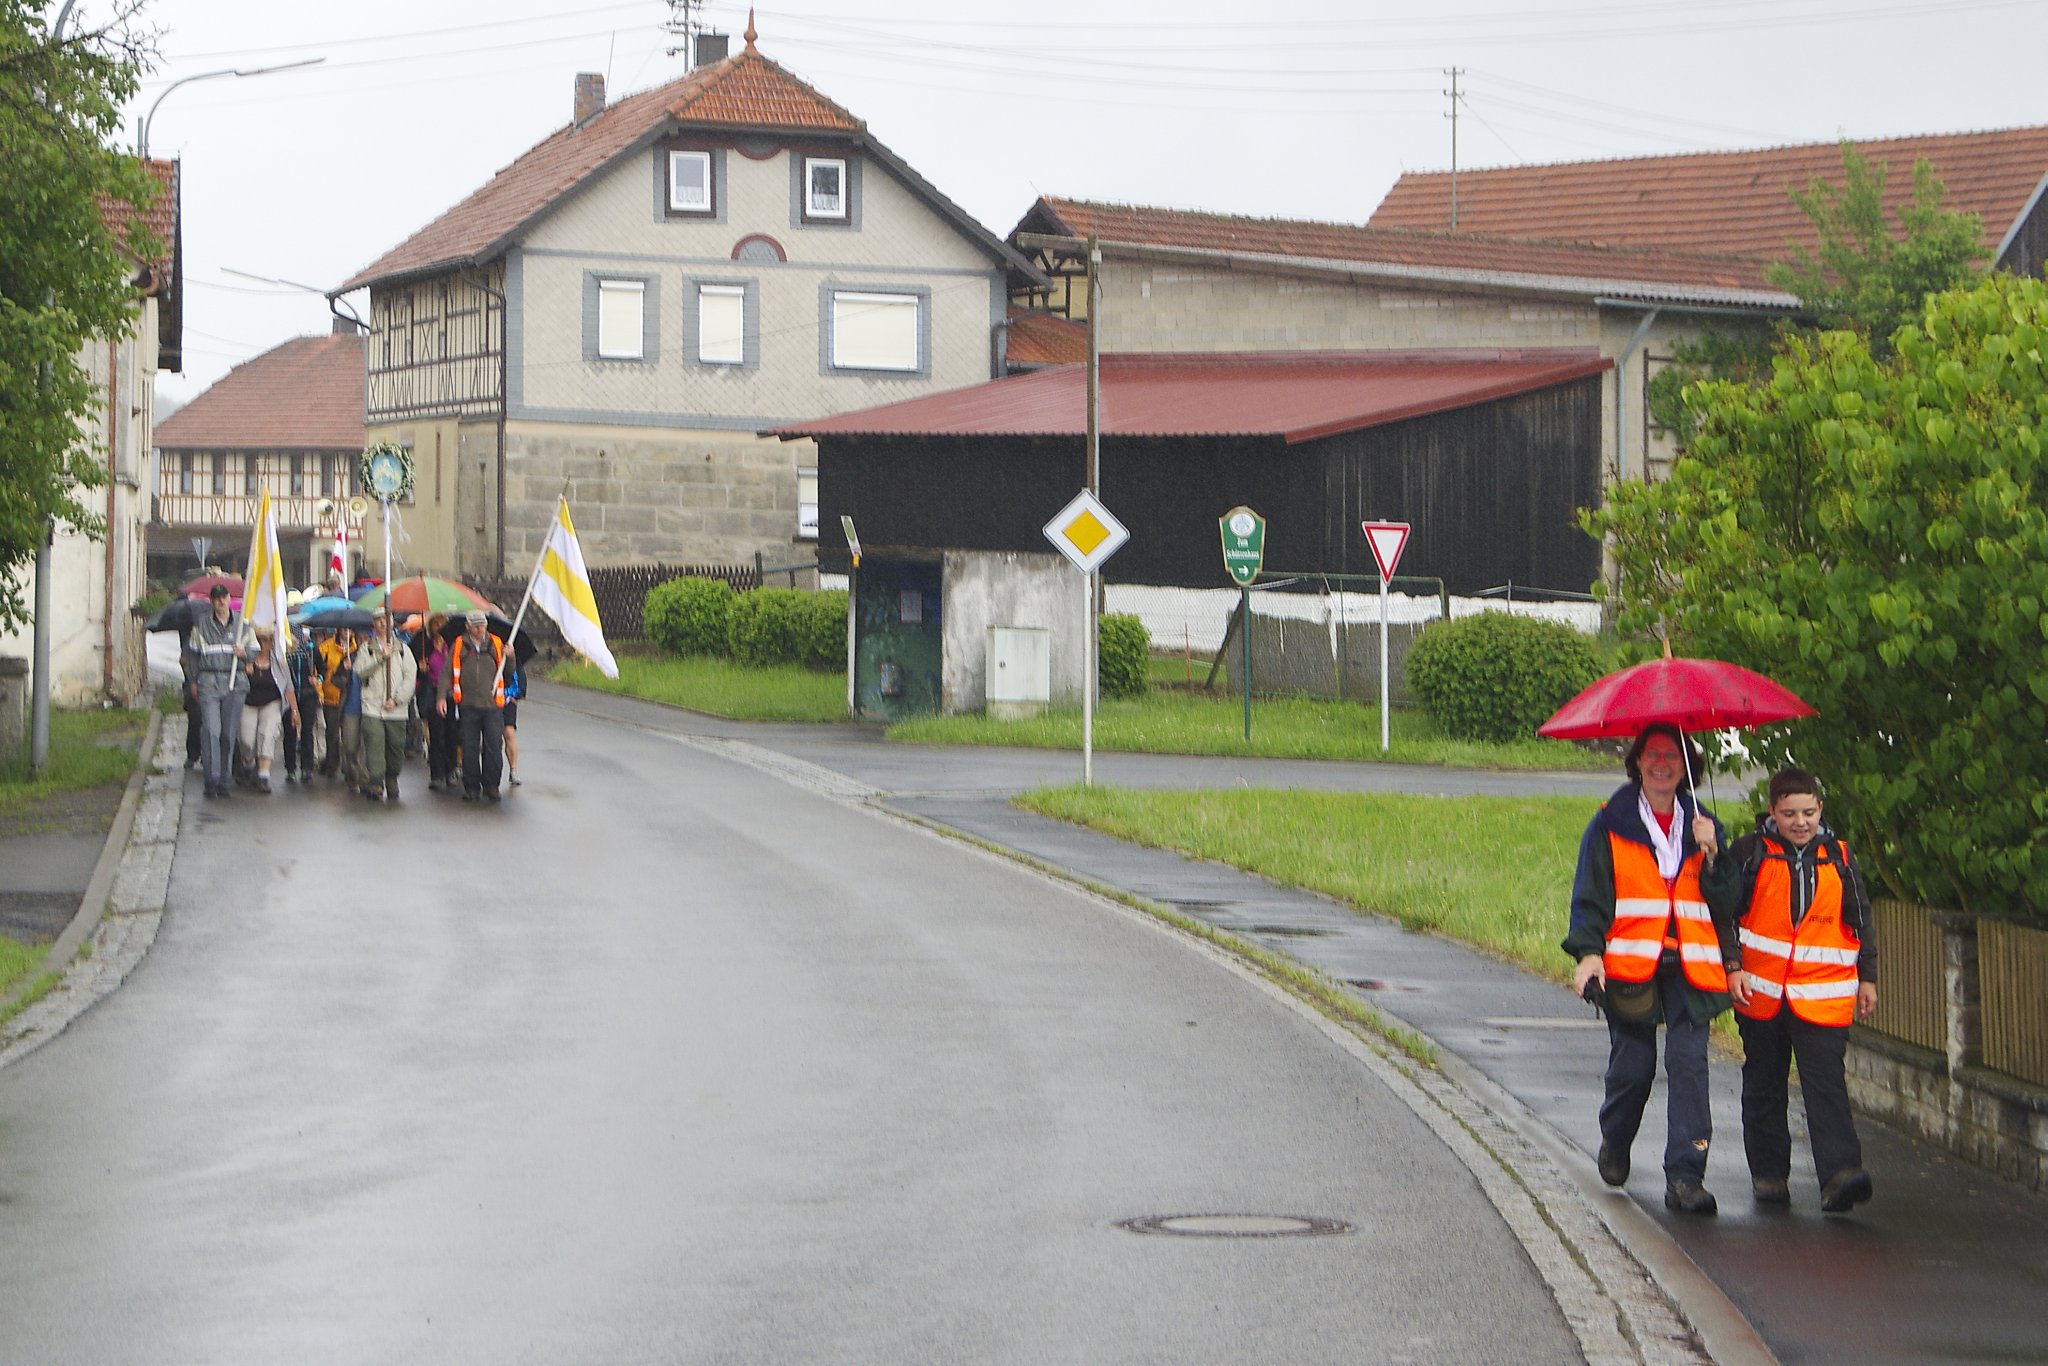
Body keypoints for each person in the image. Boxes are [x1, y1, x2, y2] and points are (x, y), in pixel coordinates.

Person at [1565, 723, 1742, 1215]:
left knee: (1689, 1066)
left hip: (1691, 966)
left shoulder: (1705, 824)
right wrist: (1589, 953)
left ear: (1687, 767)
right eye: (1653, 755)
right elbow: (1589, 895)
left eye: (1672, 756)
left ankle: (1686, 1176)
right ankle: (1616, 1138)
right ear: (1637, 762)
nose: (1662, 764)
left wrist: (1713, 854)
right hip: (1631, 965)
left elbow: (1728, 901)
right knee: (1634, 1067)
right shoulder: (1609, 822)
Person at [1728, 768, 1879, 1213]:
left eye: (1809, 813)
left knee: (1826, 1085)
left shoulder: (1840, 857)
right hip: (1761, 992)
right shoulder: (1749, 852)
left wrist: (1868, 978)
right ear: (1772, 811)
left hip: (1822, 995)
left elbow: (1860, 919)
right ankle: (1769, 1174)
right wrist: (1732, 966)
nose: (1800, 822)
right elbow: (1725, 915)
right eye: (1790, 813)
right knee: (1764, 1084)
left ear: (1820, 810)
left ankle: (1841, 1174)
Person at [182, 584, 247, 800]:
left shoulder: (242, 625)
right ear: (211, 601)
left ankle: (224, 780)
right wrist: (192, 681)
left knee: (228, 734)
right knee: (211, 731)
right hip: (209, 681)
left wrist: (244, 653)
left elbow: (255, 651)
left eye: (223, 597)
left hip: (234, 682)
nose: (220, 601)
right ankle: (211, 779)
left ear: (229, 599)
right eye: (216, 598)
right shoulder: (201, 625)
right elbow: (193, 656)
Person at [439, 610, 507, 802]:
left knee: (494, 746)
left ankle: (492, 786)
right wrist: (441, 697)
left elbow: (509, 672)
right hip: (468, 706)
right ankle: (471, 787)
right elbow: (446, 672)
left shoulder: (497, 644)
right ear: (467, 627)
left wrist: (510, 657)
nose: (479, 629)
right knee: (469, 747)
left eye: (482, 625)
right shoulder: (459, 645)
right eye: (476, 626)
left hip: (493, 706)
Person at [354, 608, 416, 802]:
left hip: (396, 710)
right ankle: (376, 782)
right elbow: (360, 671)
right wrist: (381, 657)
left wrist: (397, 699)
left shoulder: (403, 650)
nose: (382, 623)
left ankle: (392, 777)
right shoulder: (367, 648)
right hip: (372, 706)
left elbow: (410, 677)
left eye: (385, 619)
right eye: (378, 620)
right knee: (374, 745)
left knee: (395, 747)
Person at [235, 627, 295, 794]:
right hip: (247, 702)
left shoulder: (279, 661)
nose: (262, 644)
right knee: (247, 741)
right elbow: (233, 679)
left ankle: (263, 776)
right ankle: (248, 763)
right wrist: (243, 670)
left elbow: (288, 686)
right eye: (259, 640)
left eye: (266, 640)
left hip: (271, 702)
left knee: (267, 735)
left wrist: (294, 711)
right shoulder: (245, 658)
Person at [420, 614, 454, 791]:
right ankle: (437, 774)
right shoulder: (426, 647)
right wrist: (423, 670)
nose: (439, 627)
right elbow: (421, 676)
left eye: (442, 624)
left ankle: (450, 770)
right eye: (436, 624)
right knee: (436, 734)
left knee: (451, 733)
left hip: (450, 694)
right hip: (434, 693)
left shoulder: (452, 646)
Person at [314, 628, 353, 779]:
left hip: (350, 697)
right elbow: (318, 672)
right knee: (333, 733)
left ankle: (348, 766)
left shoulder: (356, 648)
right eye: (344, 629)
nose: (347, 632)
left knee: (349, 734)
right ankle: (332, 764)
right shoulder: (326, 647)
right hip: (331, 697)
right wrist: (320, 692)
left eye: (350, 629)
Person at [502, 648, 525, 787]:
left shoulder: (514, 654)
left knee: (509, 733)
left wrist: (517, 694)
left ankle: (513, 770)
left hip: (508, 699)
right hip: (488, 698)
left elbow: (520, 676)